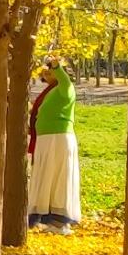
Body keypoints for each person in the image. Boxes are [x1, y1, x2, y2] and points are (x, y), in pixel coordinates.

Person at [26, 58, 81, 228]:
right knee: (45, 177)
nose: (47, 72)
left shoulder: (66, 88)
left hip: (58, 139)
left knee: (58, 177)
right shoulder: (49, 92)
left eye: (51, 70)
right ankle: (44, 218)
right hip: (44, 139)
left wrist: (55, 65)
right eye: (45, 70)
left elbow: (64, 79)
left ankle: (59, 221)